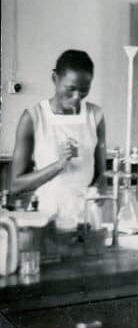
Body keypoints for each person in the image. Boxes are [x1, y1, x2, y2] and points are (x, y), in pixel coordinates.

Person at [10, 50, 106, 227]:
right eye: (70, 90)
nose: (77, 98)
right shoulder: (34, 117)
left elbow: (102, 175)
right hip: (47, 219)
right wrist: (58, 165)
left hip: (85, 221)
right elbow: (16, 185)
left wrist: (98, 191)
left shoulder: (95, 116)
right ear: (55, 79)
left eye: (84, 91)